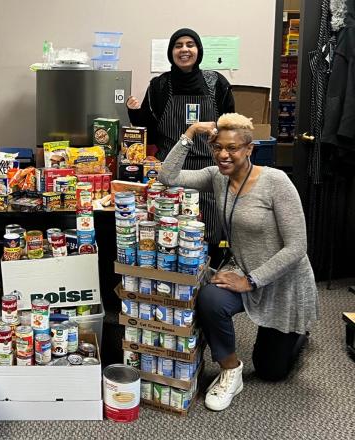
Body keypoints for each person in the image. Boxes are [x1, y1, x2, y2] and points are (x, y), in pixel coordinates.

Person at [158, 113, 319, 412]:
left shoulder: (275, 182)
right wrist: (190, 132)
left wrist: (251, 280)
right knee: (210, 298)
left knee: (271, 371)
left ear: (249, 148)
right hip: (242, 269)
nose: (223, 154)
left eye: (232, 148)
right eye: (218, 147)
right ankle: (230, 369)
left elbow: (297, 246)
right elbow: (167, 178)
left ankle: (298, 334)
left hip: (281, 279)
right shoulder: (216, 177)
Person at [127, 28, 234, 264]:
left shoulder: (216, 82)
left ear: (198, 50)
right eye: (178, 45)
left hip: (209, 171)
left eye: (190, 44)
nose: (184, 50)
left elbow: (229, 124)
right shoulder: (159, 85)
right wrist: (134, 112)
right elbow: (150, 128)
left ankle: (210, 281)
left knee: (210, 233)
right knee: (170, 235)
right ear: (171, 52)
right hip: (171, 172)